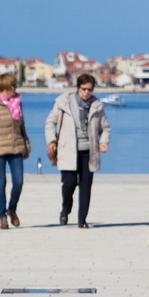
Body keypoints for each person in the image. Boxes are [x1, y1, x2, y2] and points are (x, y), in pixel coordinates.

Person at [44, 74, 111, 228]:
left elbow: (106, 128)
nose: (86, 92)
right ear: (78, 87)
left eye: (90, 90)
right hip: (68, 150)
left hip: (89, 152)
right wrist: (51, 141)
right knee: (69, 184)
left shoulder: (97, 105)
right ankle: (65, 210)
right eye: (83, 89)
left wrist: (103, 142)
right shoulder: (63, 102)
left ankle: (82, 219)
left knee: (86, 186)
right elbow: (50, 122)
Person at [0, 73, 30, 229]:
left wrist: (26, 145)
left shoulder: (17, 103)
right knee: (0, 183)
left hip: (16, 147)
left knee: (19, 182)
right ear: (6, 88)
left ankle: (12, 208)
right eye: (14, 86)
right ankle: (2, 216)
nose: (16, 88)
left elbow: (22, 127)